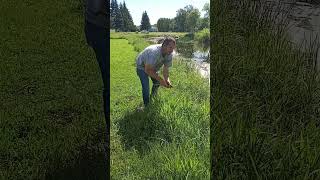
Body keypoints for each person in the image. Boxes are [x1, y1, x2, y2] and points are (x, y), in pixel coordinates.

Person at [84, 0, 109, 178]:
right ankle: (110, 138)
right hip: (99, 29)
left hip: (96, 27)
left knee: (108, 81)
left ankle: (109, 135)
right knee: (109, 83)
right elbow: (95, 7)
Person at [136, 37, 176, 107]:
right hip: (141, 67)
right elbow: (147, 70)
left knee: (156, 82)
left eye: (173, 48)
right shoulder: (154, 52)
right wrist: (161, 80)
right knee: (146, 87)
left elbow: (166, 69)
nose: (172, 50)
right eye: (170, 47)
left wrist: (167, 80)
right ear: (164, 45)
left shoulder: (169, 54)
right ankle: (146, 106)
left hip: (152, 67)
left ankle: (153, 98)